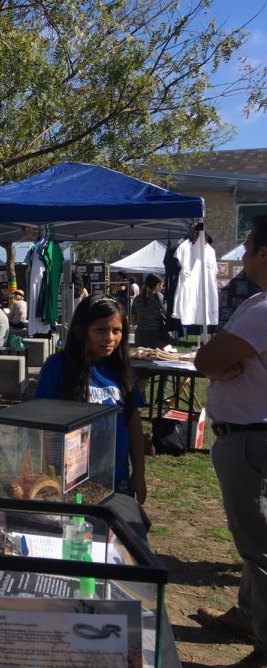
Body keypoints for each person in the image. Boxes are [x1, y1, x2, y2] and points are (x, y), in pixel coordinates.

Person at [193, 215, 267, 667]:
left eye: (249, 244)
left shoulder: (262, 310)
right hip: (250, 436)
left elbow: (208, 357)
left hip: (251, 440)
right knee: (252, 537)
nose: (241, 253)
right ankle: (248, 614)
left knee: (259, 546)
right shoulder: (257, 303)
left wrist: (217, 360)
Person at [34, 294, 146, 502]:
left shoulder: (121, 371)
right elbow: (43, 427)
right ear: (80, 331)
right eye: (100, 330)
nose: (110, 338)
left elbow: (134, 423)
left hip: (116, 478)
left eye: (117, 330)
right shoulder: (58, 367)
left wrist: (138, 473)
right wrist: (49, 475)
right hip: (70, 478)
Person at [131, 274, 168, 349]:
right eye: (161, 285)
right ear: (157, 285)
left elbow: (133, 321)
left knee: (141, 359)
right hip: (154, 333)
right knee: (155, 358)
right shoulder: (158, 296)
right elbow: (166, 313)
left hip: (139, 334)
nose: (162, 288)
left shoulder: (137, 299)